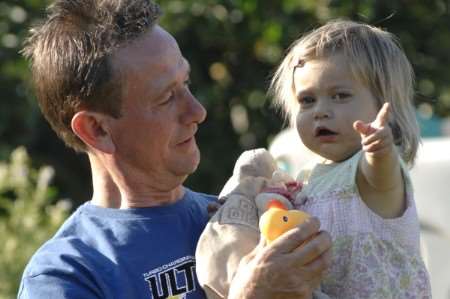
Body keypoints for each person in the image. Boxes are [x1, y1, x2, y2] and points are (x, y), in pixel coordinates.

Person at [17, 0, 332, 298]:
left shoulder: (240, 219)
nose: (197, 112)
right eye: (166, 97)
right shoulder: (66, 274)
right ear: (96, 129)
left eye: (187, 83)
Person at [196, 19, 431, 298]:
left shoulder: (370, 174)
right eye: (307, 100)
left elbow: (382, 178)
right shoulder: (307, 180)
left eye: (340, 96)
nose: (321, 111)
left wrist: (380, 150)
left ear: (385, 108)